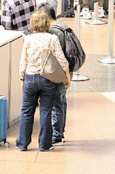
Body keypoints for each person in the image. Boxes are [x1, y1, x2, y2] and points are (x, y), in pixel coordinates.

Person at [15, 9, 70, 152]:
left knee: (26, 111)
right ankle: (45, 145)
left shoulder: (28, 39)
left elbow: (23, 61)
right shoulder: (52, 38)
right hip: (47, 78)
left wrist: (22, 77)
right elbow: (61, 60)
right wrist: (67, 76)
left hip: (30, 78)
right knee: (46, 111)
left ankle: (22, 143)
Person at [44, 4, 81, 145]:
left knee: (56, 103)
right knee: (61, 102)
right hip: (65, 71)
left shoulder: (53, 32)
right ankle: (60, 132)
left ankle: (57, 134)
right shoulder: (63, 26)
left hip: (57, 72)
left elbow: (56, 55)